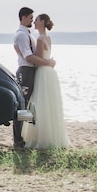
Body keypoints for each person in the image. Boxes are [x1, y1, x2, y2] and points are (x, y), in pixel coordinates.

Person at [21, 13, 70, 149]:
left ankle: (41, 138)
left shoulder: (41, 39)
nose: (34, 22)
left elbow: (39, 61)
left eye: (36, 20)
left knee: (41, 104)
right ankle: (52, 136)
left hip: (43, 73)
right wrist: (50, 62)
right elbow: (46, 59)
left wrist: (25, 55)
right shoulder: (48, 37)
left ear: (42, 22)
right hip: (50, 74)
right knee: (49, 104)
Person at [12, 7, 56, 150]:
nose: (32, 20)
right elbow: (29, 57)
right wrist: (48, 63)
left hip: (32, 71)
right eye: (31, 18)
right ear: (23, 18)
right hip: (25, 72)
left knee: (28, 105)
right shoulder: (21, 35)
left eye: (34, 18)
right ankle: (18, 141)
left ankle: (21, 139)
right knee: (22, 105)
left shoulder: (28, 35)